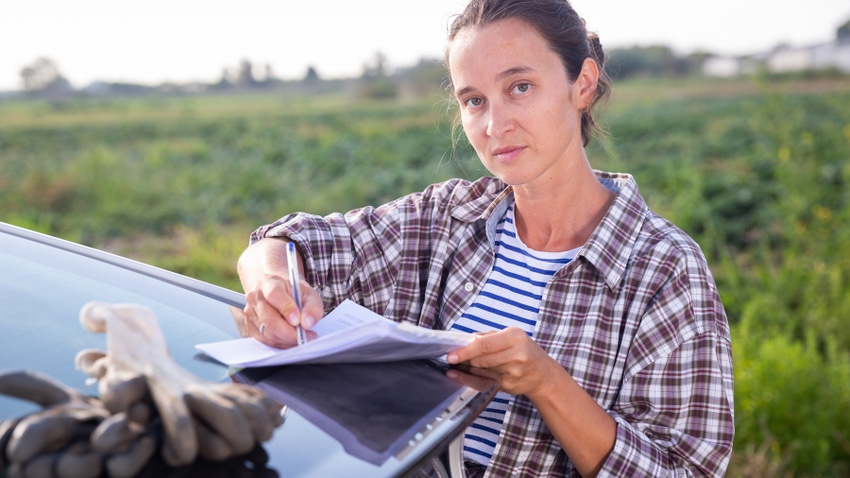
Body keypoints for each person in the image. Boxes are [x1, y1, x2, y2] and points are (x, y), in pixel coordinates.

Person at [236, 0, 735, 476]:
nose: (496, 125)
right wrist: (273, 280)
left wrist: (547, 383)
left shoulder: (663, 267)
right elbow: (286, 241)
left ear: (581, 84)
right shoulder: (444, 218)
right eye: (474, 100)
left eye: (519, 87)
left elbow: (682, 468)